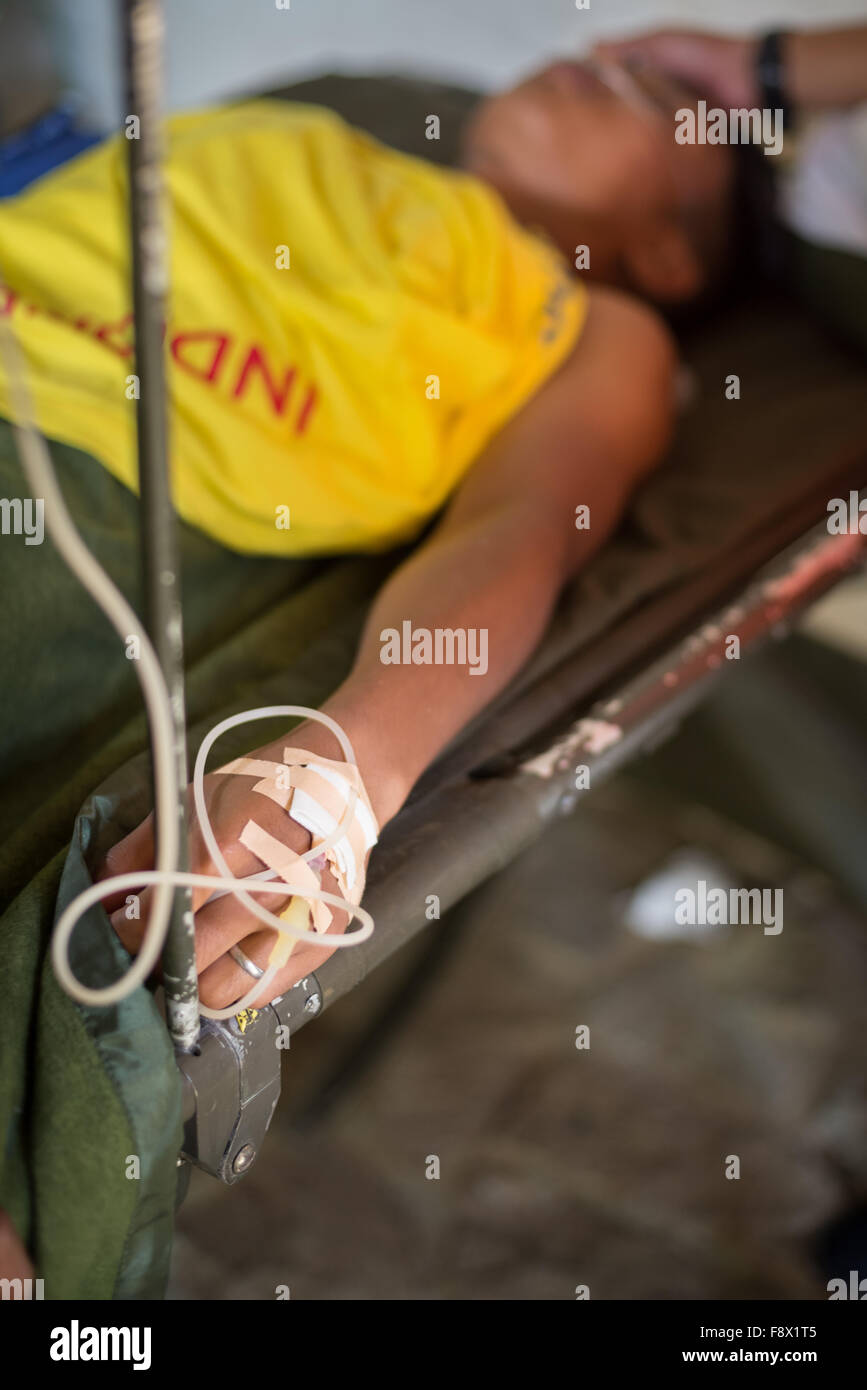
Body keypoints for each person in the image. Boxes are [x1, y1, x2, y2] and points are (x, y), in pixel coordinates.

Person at [0, 56, 738, 1016]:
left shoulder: (597, 325)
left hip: (75, 490)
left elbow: (524, 530)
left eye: (666, 103)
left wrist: (340, 777)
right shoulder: (305, 135)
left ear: (668, 251)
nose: (605, 60)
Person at [594, 24, 867, 353]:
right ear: (664, 259)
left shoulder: (819, 173)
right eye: (658, 103)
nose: (604, 66)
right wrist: (762, 65)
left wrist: (754, 65)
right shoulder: (836, 191)